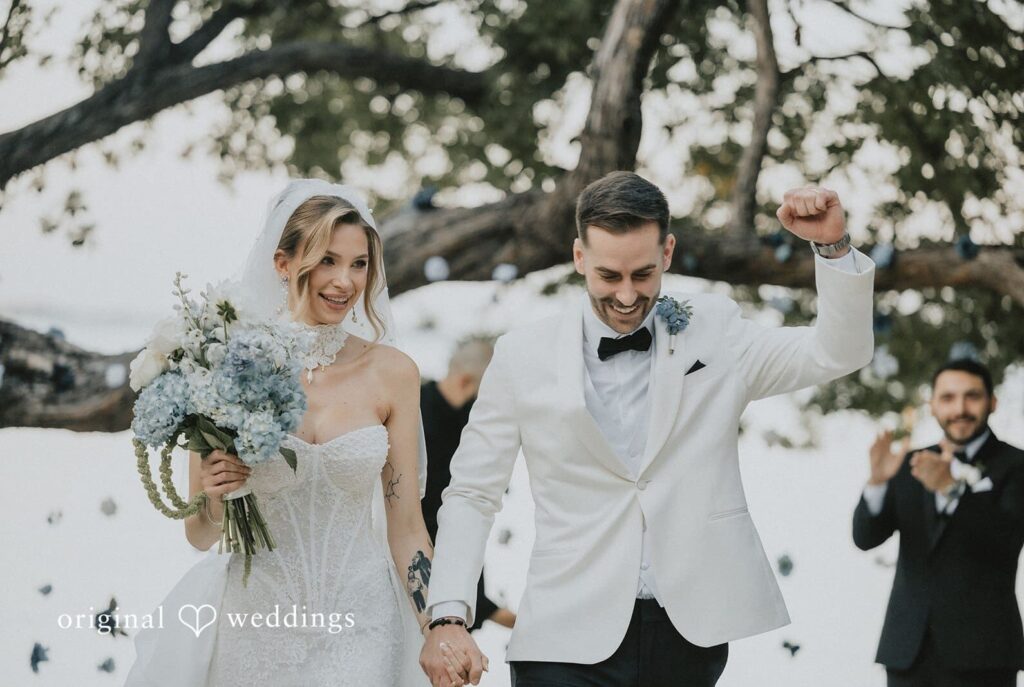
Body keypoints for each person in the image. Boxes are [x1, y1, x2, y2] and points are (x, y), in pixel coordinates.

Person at [420, 171, 876, 687]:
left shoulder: (717, 333)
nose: (626, 295)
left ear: (667, 253)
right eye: (608, 276)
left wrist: (834, 248)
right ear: (578, 258)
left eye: (642, 274)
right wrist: (449, 615)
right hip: (562, 632)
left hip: (686, 634)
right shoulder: (521, 355)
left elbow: (838, 352)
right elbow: (472, 493)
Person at [127, 180, 432, 686]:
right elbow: (200, 534)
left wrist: (439, 624)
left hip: (362, 621)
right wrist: (217, 492)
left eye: (359, 264)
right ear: (283, 263)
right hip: (256, 621)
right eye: (327, 260)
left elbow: (407, 527)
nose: (346, 281)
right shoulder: (224, 364)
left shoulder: (393, 372)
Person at [853, 359, 1024, 687]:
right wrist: (876, 482)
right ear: (932, 406)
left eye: (972, 396)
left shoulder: (1016, 465)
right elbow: (865, 538)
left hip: (985, 653)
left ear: (993, 402)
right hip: (907, 651)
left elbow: (1006, 538)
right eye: (947, 398)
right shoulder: (909, 462)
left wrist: (951, 487)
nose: (960, 408)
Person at [420, 337, 517, 632]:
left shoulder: (472, 420)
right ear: (466, 381)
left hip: (456, 555)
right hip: (418, 557)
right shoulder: (415, 412)